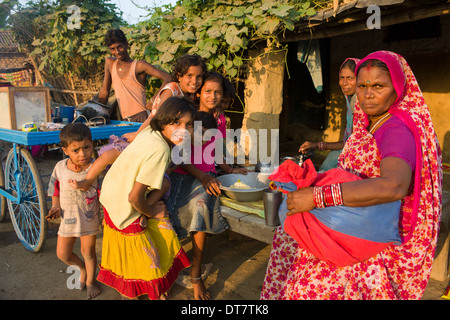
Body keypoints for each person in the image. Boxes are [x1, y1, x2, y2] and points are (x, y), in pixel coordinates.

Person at [260, 51, 442, 300]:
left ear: (398, 87)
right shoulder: (367, 123)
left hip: (363, 242)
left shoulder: (395, 130)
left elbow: (394, 186)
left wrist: (318, 196)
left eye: (378, 86)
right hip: (343, 226)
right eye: (362, 86)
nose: (367, 94)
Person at [96, 96, 195, 300]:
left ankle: (135, 287)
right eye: (176, 122)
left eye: (189, 124)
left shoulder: (151, 132)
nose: (183, 130)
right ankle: (140, 289)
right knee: (144, 253)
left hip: (111, 193)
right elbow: (134, 198)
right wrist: (151, 211)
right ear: (164, 121)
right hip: (124, 204)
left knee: (164, 184)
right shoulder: (160, 149)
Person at [167, 73, 247, 300]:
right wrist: (202, 176)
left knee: (201, 205)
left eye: (218, 92)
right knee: (167, 209)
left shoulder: (220, 119)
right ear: (199, 92)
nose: (213, 96)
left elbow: (216, 149)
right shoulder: (187, 115)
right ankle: (165, 270)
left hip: (207, 174)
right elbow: (180, 154)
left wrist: (230, 169)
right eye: (208, 91)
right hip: (185, 171)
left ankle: (195, 274)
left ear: (223, 95)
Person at [45, 123, 101, 300]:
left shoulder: (97, 167)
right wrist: (55, 206)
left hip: (89, 219)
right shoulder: (60, 167)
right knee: (63, 254)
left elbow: (104, 193)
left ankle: (91, 281)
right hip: (67, 219)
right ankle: (81, 268)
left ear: (92, 144)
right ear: (65, 150)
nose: (83, 154)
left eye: (86, 147)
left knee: (88, 252)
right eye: (76, 150)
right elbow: (55, 191)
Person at [123, 54, 207, 142]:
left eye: (199, 77)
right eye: (189, 75)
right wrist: (137, 135)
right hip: (156, 131)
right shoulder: (171, 90)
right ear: (179, 76)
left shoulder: (193, 93)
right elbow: (156, 117)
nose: (194, 81)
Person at [299, 58, 360, 171]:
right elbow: (346, 144)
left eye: (350, 78)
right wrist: (316, 145)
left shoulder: (365, 106)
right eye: (342, 78)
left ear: (360, 79)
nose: (344, 83)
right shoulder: (351, 103)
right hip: (347, 154)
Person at [98, 29, 171, 122]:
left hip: (141, 118)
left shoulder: (139, 66)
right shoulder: (110, 63)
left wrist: (153, 100)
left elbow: (168, 78)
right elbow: (104, 91)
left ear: (126, 44)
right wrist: (99, 113)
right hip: (124, 120)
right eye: (112, 49)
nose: (117, 52)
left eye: (119, 47)